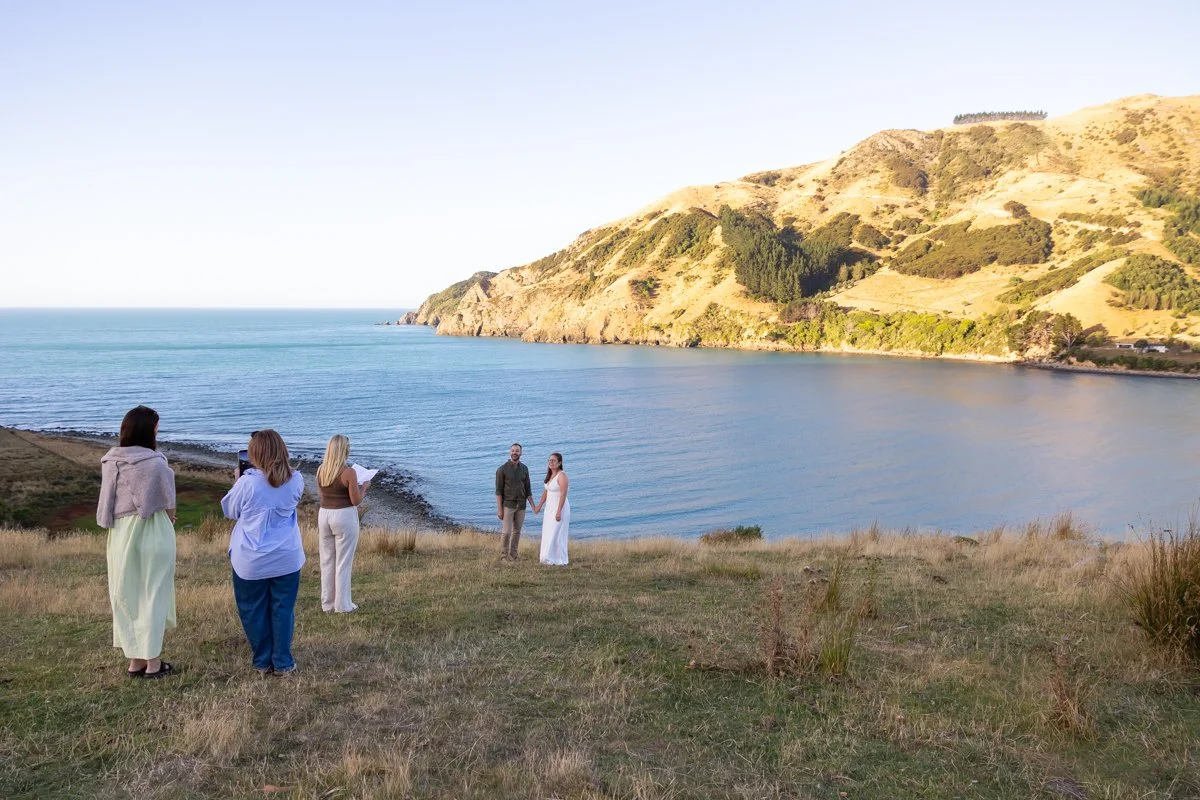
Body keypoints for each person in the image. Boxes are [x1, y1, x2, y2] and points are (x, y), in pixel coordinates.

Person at [96, 405, 178, 678]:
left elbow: (107, 502)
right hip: (151, 529)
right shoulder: (156, 462)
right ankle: (152, 663)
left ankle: (135, 660)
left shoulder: (109, 461)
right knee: (152, 594)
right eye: (156, 427)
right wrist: (169, 520)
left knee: (125, 594)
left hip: (120, 533)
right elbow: (169, 505)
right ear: (148, 431)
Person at [221, 429, 306, 676]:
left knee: (252, 609)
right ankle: (283, 661)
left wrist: (237, 481)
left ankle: (262, 661)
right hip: (286, 556)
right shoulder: (296, 479)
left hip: (251, 558)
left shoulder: (247, 483)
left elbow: (229, 511)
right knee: (283, 609)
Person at [316, 434, 370, 613]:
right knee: (343, 562)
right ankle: (343, 605)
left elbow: (321, 495)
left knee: (327, 560)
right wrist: (364, 487)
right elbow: (355, 501)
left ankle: (328, 603)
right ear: (344, 450)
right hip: (343, 516)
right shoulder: (348, 472)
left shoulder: (321, 470)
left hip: (324, 515)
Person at [495, 442, 534, 560]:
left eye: (517, 450)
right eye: (512, 450)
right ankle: (503, 556)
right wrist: (500, 510)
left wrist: (534, 506)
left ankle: (514, 555)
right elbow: (498, 491)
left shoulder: (524, 468)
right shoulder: (501, 470)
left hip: (522, 505)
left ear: (521, 453)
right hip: (508, 505)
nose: (514, 452)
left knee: (517, 531)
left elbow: (528, 489)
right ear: (509, 452)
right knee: (506, 532)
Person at [533, 452, 570, 566]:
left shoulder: (562, 475)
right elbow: (546, 491)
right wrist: (539, 506)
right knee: (548, 532)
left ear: (559, 463)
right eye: (549, 460)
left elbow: (563, 494)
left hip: (560, 507)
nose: (551, 462)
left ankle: (559, 559)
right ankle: (547, 557)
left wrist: (559, 511)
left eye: (553, 460)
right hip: (549, 508)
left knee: (558, 533)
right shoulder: (550, 475)